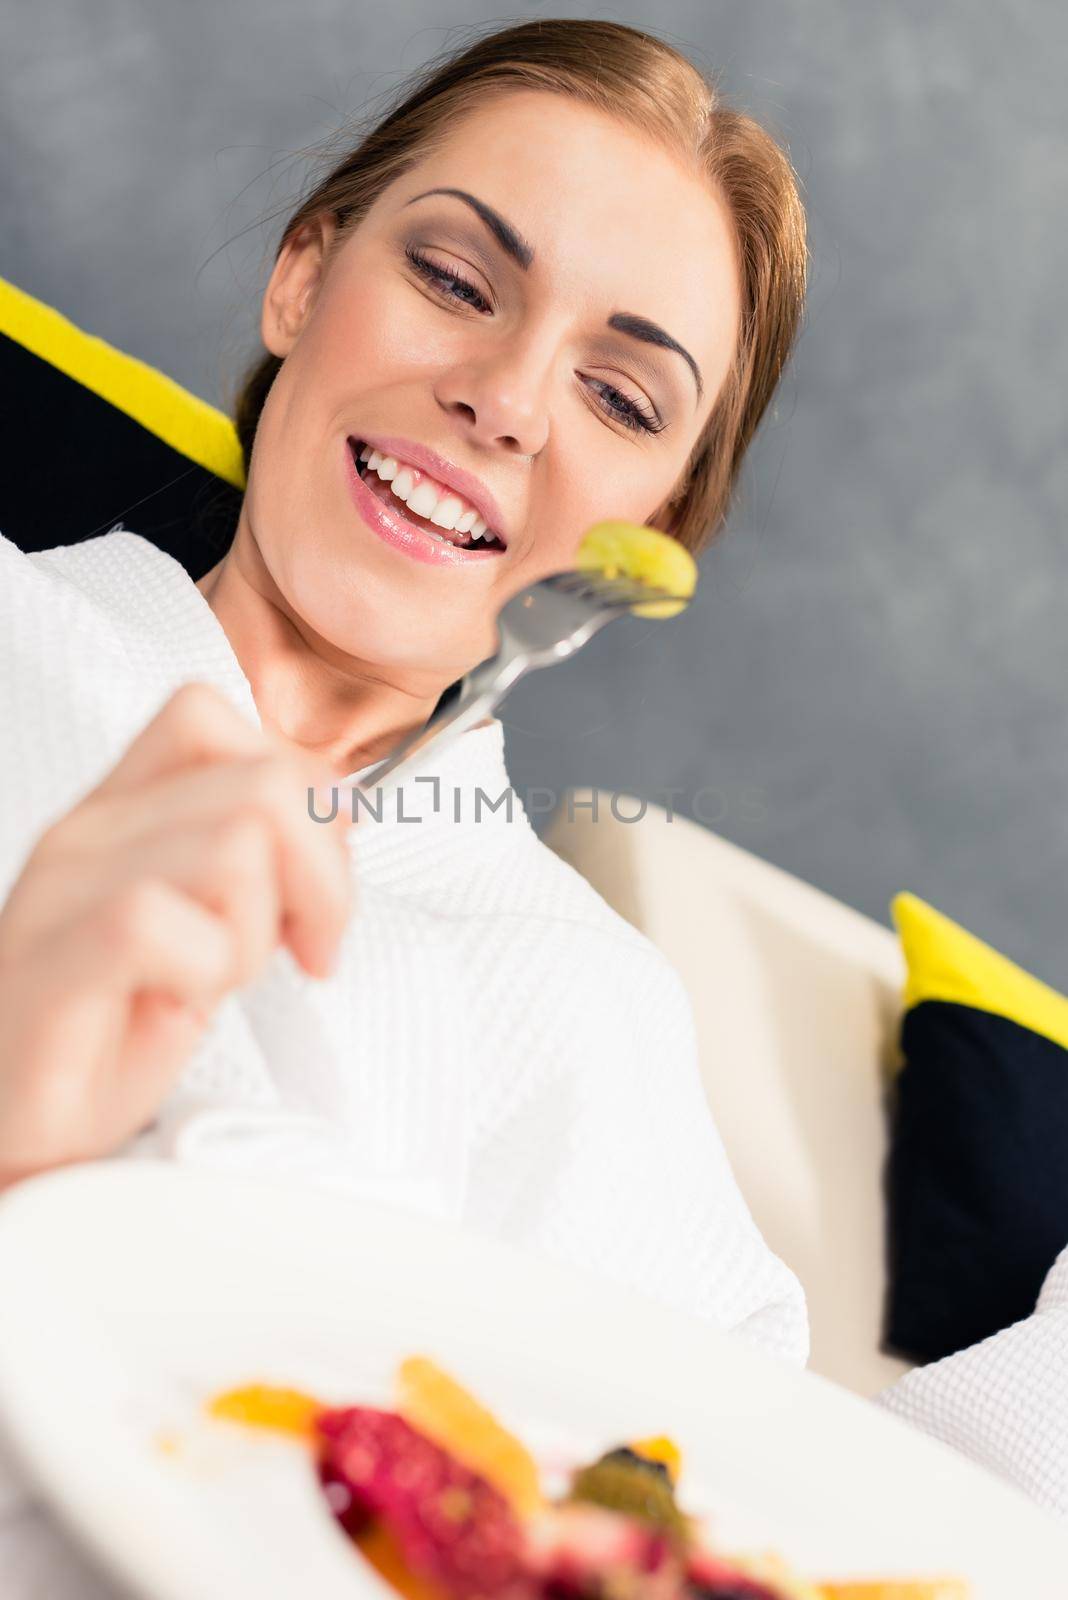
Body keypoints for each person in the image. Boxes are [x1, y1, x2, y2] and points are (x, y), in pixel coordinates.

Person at [1, 18, 1059, 1599]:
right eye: (453, 279)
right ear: (303, 276)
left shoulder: (604, 1013)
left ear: (658, 529)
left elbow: (717, 1520)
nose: (503, 398)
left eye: (623, 398)